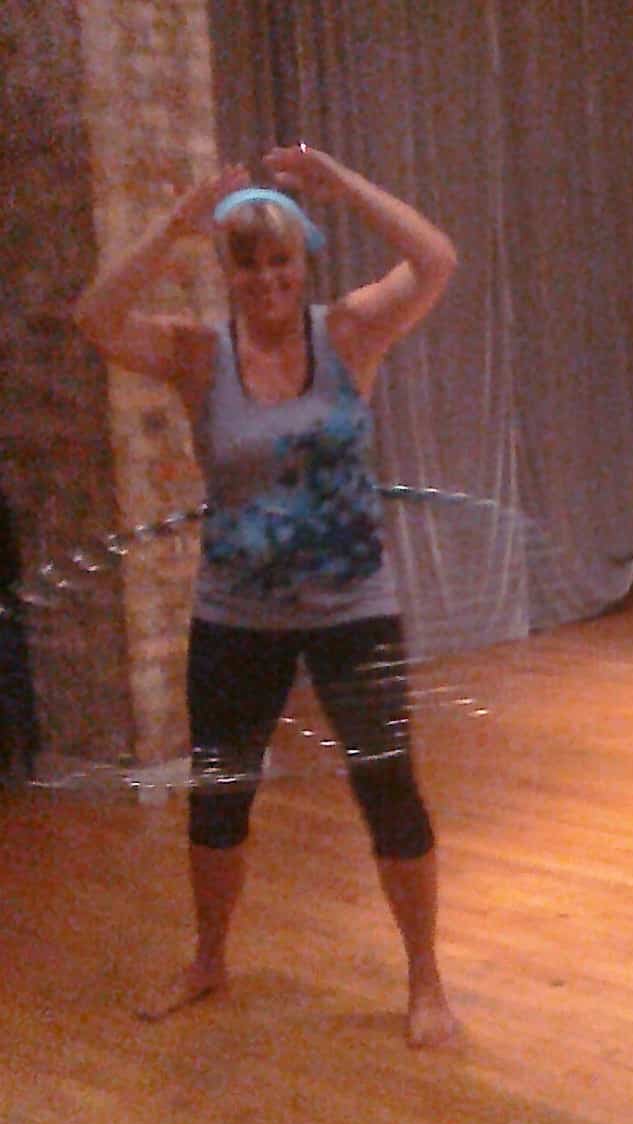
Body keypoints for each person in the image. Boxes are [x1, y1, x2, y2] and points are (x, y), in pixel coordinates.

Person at [74, 145, 460, 1047]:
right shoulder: (200, 356)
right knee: (219, 796)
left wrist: (344, 184)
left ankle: (426, 979)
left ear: (302, 260)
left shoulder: (350, 333)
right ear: (228, 271)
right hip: (236, 614)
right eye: (246, 263)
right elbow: (95, 318)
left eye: (280, 259)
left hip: (352, 608)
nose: (266, 279)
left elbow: (436, 259)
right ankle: (208, 960)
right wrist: (174, 226)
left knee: (389, 791)